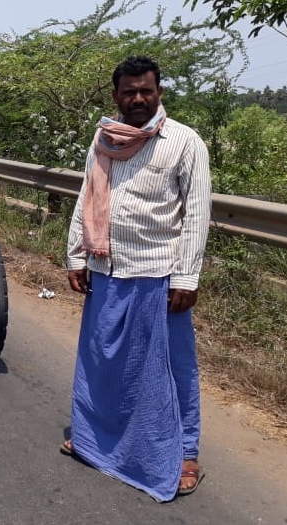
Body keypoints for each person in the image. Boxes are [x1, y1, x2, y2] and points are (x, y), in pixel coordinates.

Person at [63, 55, 211, 501]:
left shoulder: (185, 142)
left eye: (146, 90)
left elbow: (198, 213)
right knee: (103, 360)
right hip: (107, 268)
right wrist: (75, 256)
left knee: (172, 366)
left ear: (159, 92)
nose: (138, 99)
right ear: (117, 96)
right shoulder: (104, 139)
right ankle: (95, 439)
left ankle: (185, 453)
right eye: (129, 91)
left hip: (159, 275)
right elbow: (87, 195)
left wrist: (186, 277)